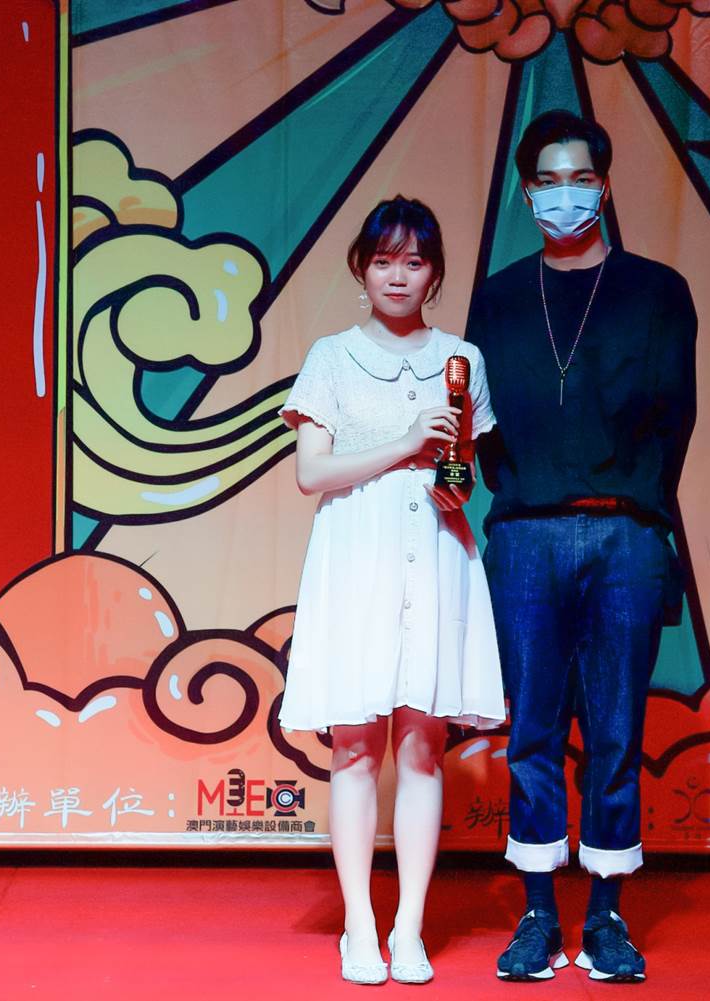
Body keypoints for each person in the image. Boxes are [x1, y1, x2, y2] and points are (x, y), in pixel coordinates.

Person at [466, 110, 699, 983]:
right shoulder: (498, 297)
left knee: (614, 729)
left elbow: (677, 418)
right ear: (527, 193)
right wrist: (524, 494)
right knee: (532, 728)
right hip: (525, 532)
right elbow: (478, 421)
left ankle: (605, 917)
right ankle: (537, 915)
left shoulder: (657, 292)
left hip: (627, 534)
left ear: (604, 184)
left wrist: (643, 516)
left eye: (580, 178)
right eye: (548, 182)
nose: (565, 195)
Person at [278, 196, 505, 986]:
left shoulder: (462, 360)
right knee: (353, 745)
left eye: (413, 261)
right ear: (361, 270)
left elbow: (464, 475)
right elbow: (312, 472)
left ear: (435, 273)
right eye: (383, 260)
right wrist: (406, 442)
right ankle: (359, 922)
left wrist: (450, 477)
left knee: (421, 745)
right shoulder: (332, 357)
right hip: (355, 555)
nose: (397, 275)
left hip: (436, 551)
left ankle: (409, 925)